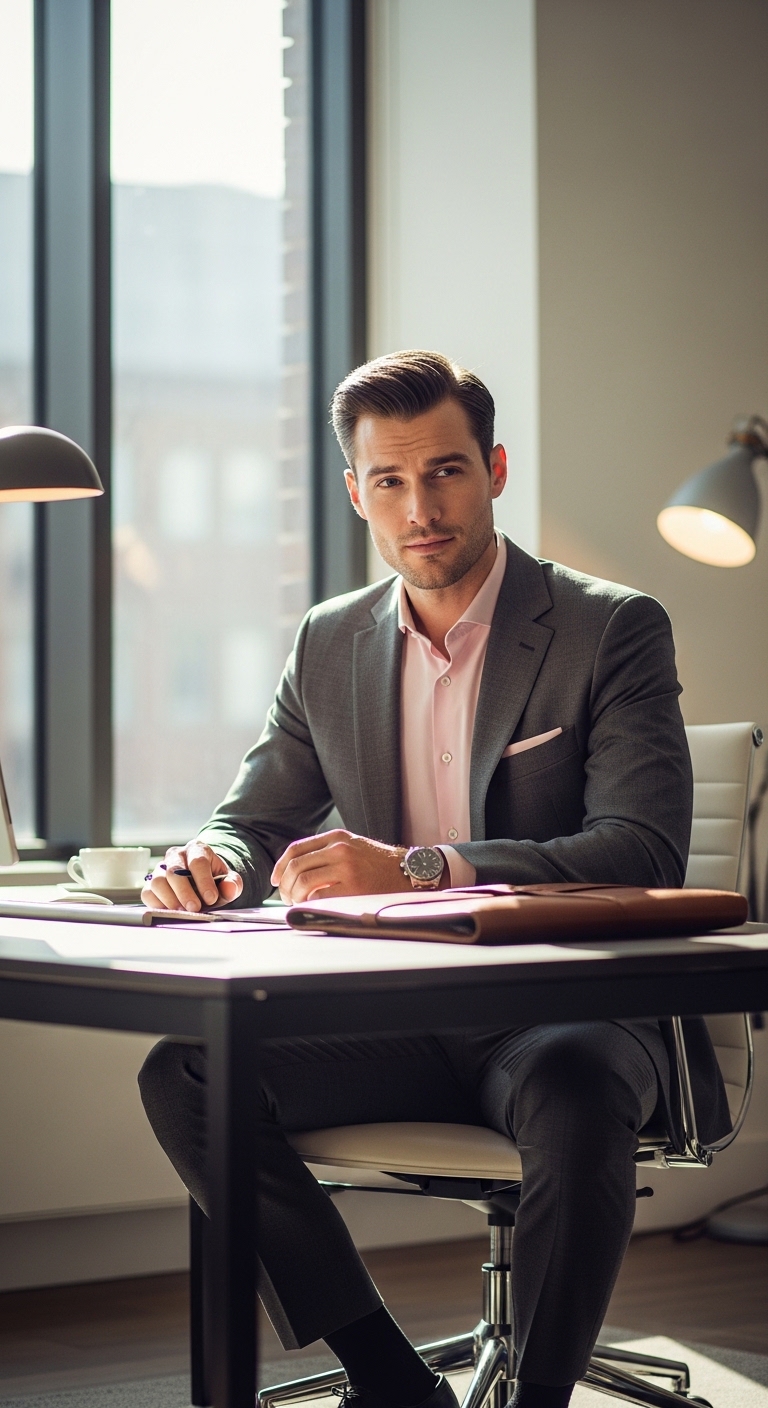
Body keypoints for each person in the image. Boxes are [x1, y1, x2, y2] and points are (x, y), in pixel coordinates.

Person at [138, 351, 729, 1408]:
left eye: (447, 471)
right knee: (188, 1074)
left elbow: (638, 850)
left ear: (496, 469)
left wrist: (417, 867)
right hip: (395, 1019)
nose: (423, 506)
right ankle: (387, 1378)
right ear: (358, 490)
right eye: (392, 480)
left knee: (579, 1090)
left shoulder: (611, 628)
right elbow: (251, 816)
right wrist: (209, 863)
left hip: (564, 1012)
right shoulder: (327, 642)